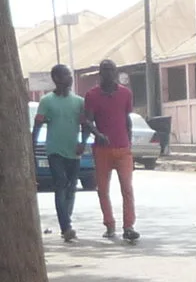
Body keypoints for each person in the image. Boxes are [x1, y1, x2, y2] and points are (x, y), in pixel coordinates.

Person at [83, 60, 139, 240]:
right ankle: (109, 224)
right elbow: (88, 121)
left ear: (115, 72)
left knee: (127, 188)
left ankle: (128, 226)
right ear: (100, 73)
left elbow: (127, 119)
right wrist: (97, 134)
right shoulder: (92, 95)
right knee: (102, 189)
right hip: (102, 149)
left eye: (111, 70)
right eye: (105, 70)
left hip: (123, 148)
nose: (108, 74)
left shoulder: (125, 93)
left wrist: (129, 145)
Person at [33, 63, 87, 242]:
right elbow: (38, 124)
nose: (70, 78)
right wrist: (32, 145)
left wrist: (83, 142)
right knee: (60, 184)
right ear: (56, 79)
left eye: (70, 75)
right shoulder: (47, 101)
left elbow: (85, 124)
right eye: (66, 75)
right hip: (55, 150)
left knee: (71, 187)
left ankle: (67, 220)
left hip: (73, 150)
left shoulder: (79, 102)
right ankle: (66, 227)